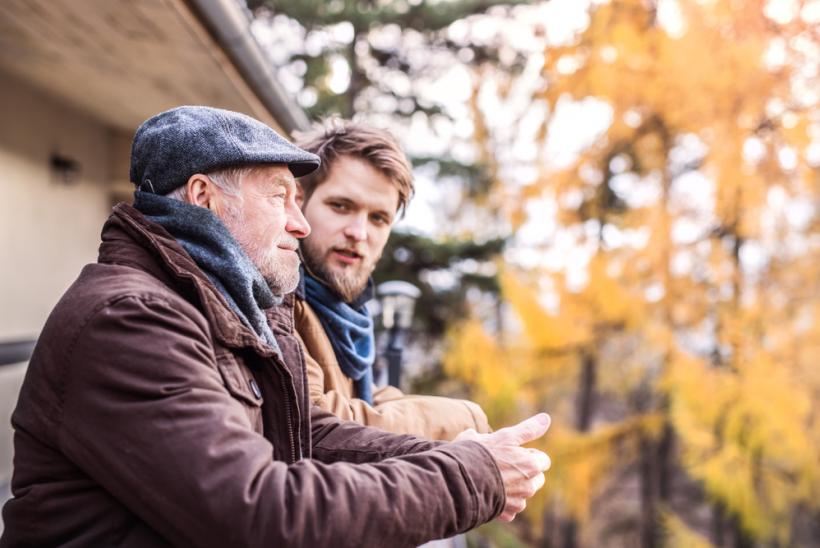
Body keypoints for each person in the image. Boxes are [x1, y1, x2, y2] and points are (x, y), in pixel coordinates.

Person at [0, 106, 551, 548]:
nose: (301, 221)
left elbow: (308, 435)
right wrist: (468, 478)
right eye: (280, 196)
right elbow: (259, 514)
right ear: (203, 199)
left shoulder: (238, 309)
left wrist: (458, 458)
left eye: (378, 217)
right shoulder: (129, 320)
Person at [293, 120, 491, 440]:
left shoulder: (347, 318)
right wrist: (469, 418)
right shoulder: (278, 297)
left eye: (378, 218)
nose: (358, 233)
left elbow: (364, 403)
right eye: (341, 206)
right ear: (298, 199)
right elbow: (317, 421)